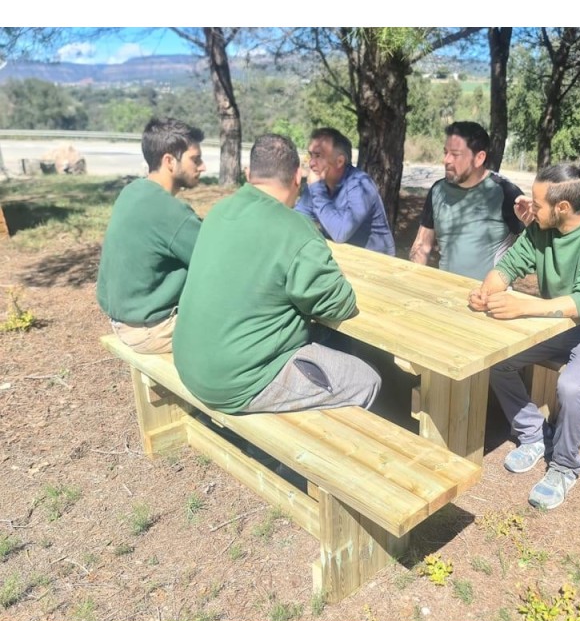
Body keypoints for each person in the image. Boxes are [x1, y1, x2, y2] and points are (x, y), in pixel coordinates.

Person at [468, 161, 580, 510]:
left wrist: (523, 307)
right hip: (560, 323)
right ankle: (533, 434)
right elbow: (509, 266)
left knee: (572, 385)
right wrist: (488, 290)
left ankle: (564, 467)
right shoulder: (542, 228)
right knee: (498, 361)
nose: (530, 208)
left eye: (537, 203)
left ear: (562, 208)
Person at [172, 133, 381, 415]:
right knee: (366, 380)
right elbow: (340, 304)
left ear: (249, 174)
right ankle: (300, 458)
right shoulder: (294, 228)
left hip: (189, 364)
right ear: (298, 176)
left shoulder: (219, 211)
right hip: (241, 381)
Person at [96, 117, 206, 354]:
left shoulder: (134, 191)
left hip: (124, 321)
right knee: (247, 321)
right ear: (169, 161)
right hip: (153, 329)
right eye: (195, 159)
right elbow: (217, 258)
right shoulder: (169, 211)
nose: (203, 166)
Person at [409, 121, 523, 279]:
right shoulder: (438, 190)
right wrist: (413, 281)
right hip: (444, 294)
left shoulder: (506, 193)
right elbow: (422, 245)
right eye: (445, 152)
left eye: (455, 154)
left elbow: (534, 245)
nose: (446, 160)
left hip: (487, 298)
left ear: (479, 158)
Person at [294, 127, 395, 256]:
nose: (311, 163)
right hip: (343, 258)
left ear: (340, 161)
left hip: (378, 264)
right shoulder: (317, 184)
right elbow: (298, 219)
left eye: (318, 156)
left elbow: (340, 233)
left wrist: (317, 189)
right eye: (311, 155)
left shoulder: (360, 185)